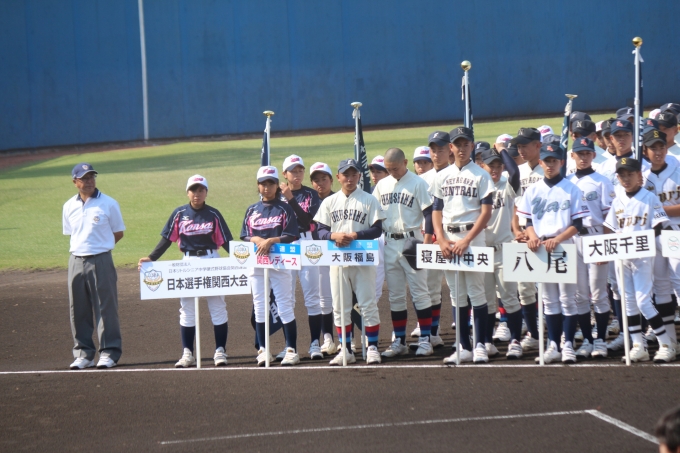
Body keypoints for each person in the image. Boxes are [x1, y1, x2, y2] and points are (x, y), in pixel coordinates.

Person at [138, 174, 232, 368]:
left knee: (217, 307)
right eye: (193, 190)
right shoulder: (179, 213)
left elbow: (226, 242)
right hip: (187, 263)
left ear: (206, 192)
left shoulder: (213, 214)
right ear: (187, 192)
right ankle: (187, 353)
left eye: (201, 190)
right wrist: (152, 258)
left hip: (212, 260)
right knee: (187, 309)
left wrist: (245, 260)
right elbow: (167, 239)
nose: (197, 194)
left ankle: (220, 351)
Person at [517, 143, 590, 364]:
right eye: (547, 160)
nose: (550, 164)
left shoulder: (572, 189)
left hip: (564, 245)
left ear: (561, 162)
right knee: (549, 300)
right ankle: (554, 345)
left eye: (554, 160)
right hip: (541, 247)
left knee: (568, 299)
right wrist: (531, 236)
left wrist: (558, 239)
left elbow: (578, 224)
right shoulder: (533, 190)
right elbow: (528, 221)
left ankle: (568, 344)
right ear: (540, 162)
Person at [603, 157, 676, 363]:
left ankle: (667, 344)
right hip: (623, 258)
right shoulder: (617, 200)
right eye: (622, 175)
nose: (626, 179)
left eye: (630, 174)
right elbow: (609, 227)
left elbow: (660, 226)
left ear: (639, 176)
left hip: (643, 256)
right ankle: (638, 345)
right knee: (628, 303)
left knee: (644, 301)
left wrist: (639, 242)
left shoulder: (649, 197)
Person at [314, 158, 385, 365]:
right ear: (338, 177)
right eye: (346, 174)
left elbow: (377, 229)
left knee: (368, 304)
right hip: (337, 260)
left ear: (359, 176)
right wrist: (332, 236)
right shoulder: (329, 202)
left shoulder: (369, 200)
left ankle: (372, 348)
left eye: (354, 174)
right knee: (340, 306)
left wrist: (356, 235)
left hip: (363, 259)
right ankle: (346, 349)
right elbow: (319, 231)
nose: (350, 178)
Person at [431, 126, 494, 364]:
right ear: (451, 147)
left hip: (472, 236)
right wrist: (440, 238)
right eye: (457, 144)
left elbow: (486, 212)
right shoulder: (442, 175)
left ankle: (480, 345)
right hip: (448, 237)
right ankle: (463, 346)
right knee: (456, 294)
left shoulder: (481, 175)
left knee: (476, 292)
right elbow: (436, 210)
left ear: (472, 146)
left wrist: (467, 240)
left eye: (466, 144)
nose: (461, 148)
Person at [63, 163, 125, 370]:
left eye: (92, 177)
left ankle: (109, 352)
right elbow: (72, 233)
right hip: (75, 260)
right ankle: (84, 354)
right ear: (75, 182)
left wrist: (101, 247)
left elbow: (118, 232)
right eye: (84, 178)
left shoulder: (109, 203)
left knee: (105, 307)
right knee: (78, 308)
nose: (89, 181)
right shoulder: (68, 206)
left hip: (101, 259)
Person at [373, 148, 433, 359]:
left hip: (412, 241)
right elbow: (374, 213)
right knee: (395, 295)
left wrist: (427, 242)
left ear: (405, 163)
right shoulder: (382, 185)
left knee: (420, 292)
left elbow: (429, 213)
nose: (392, 172)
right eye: (388, 169)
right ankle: (399, 340)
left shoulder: (418, 183)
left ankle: (426, 339)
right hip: (390, 242)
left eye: (395, 168)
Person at [241, 166, 301, 367]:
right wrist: (256, 239)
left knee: (284, 305)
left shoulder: (284, 208)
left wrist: (271, 240)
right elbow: (244, 235)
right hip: (257, 264)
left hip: (280, 262)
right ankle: (263, 350)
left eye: (270, 183)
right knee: (260, 305)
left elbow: (292, 234)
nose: (266, 187)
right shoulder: (252, 209)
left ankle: (291, 349)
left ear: (277, 185)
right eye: (263, 184)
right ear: (257, 186)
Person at [567, 138, 615, 359]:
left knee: (598, 294)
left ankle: (600, 340)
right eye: (580, 153)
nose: (584, 157)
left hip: (596, 236)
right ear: (572, 156)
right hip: (573, 239)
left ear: (594, 155)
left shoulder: (602, 182)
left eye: (587, 153)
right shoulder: (566, 182)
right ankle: (587, 339)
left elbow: (610, 218)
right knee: (579, 295)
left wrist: (605, 245)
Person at [478, 147, 524, 358]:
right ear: (482, 166)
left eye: (498, 165)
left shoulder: (507, 186)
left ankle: (515, 340)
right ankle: (487, 341)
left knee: (510, 297)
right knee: (487, 300)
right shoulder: (478, 187)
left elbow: (515, 172)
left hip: (504, 250)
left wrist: (502, 150)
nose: (495, 169)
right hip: (482, 252)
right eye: (491, 166)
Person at [279, 155, 324, 360]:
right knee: (286, 298)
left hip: (307, 244)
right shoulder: (276, 195)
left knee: (312, 297)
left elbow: (308, 221)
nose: (297, 174)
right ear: (284, 174)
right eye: (293, 171)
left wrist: (289, 198)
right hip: (285, 246)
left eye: (300, 170)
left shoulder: (311, 194)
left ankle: (315, 343)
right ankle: (289, 346)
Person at [640, 129, 679, 355]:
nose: (658, 152)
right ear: (645, 150)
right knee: (661, 288)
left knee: (679, 283)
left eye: (661, 147)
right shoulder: (640, 175)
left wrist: (657, 209)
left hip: (675, 233)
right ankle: (671, 343)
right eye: (653, 148)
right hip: (651, 236)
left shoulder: (677, 169)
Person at [416, 130, 453, 342]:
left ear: (450, 150)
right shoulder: (422, 180)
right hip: (429, 238)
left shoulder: (457, 175)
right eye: (433, 150)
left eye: (441, 150)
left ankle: (467, 332)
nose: (437, 154)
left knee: (458, 287)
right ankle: (433, 332)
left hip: (453, 237)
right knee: (430, 286)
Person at [512, 128, 544, 352]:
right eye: (519, 146)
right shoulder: (517, 172)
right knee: (524, 289)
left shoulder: (548, 168)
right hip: (522, 236)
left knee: (550, 289)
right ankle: (533, 333)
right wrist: (516, 230)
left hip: (545, 236)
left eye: (525, 145)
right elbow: (514, 206)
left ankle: (558, 333)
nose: (521, 150)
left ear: (538, 145)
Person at [309, 162, 337, 355]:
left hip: (338, 251)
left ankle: (348, 339)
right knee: (324, 298)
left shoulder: (339, 198)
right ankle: (327, 337)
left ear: (331, 180)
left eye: (324, 179)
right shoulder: (309, 202)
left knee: (344, 296)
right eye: (316, 180)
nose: (320, 183)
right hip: (317, 253)